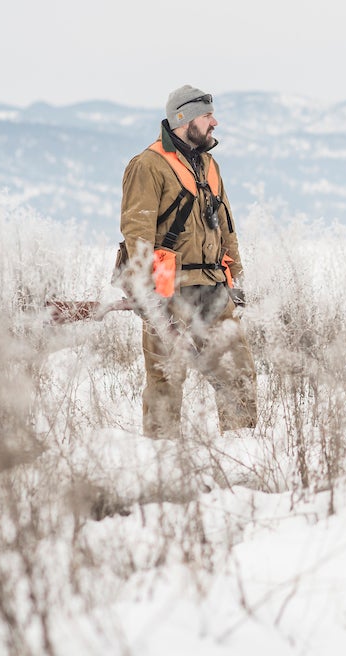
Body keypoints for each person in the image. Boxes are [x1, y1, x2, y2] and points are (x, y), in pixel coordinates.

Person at [117, 85, 257, 438]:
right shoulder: (147, 165)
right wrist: (147, 294)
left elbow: (226, 225)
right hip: (168, 290)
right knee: (167, 377)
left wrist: (234, 276)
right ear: (184, 118)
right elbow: (138, 232)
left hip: (213, 288)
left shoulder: (209, 163)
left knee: (237, 371)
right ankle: (161, 458)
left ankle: (243, 448)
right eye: (208, 116)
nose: (215, 122)